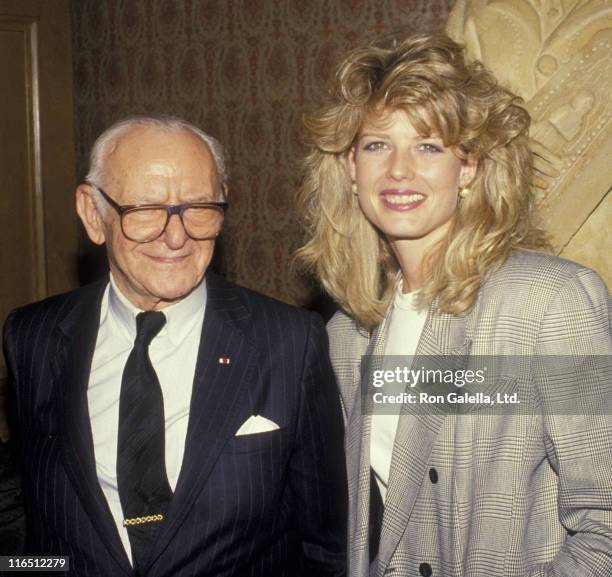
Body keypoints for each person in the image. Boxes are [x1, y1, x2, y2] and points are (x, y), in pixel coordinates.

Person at [297, 34, 612, 577]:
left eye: (428, 146)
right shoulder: (347, 333)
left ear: (468, 168)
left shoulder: (548, 302)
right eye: (376, 145)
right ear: (350, 166)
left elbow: (605, 526)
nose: (398, 170)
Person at [3, 116, 347, 577]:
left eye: (199, 206)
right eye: (145, 210)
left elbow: (326, 546)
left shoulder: (288, 342)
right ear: (93, 213)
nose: (176, 236)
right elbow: (28, 509)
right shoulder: (33, 337)